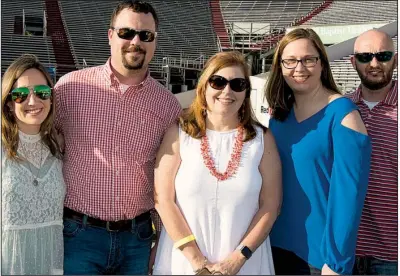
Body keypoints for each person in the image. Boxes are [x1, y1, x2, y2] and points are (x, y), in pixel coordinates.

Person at [53, 1, 181, 275]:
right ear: (110, 35)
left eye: (145, 35)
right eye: (126, 33)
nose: (136, 41)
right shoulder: (70, 88)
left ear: (154, 42)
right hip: (79, 235)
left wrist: (163, 241)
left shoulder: (167, 105)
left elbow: (167, 179)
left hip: (138, 238)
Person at [153, 51, 282, 275]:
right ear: (204, 87)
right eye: (218, 82)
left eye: (237, 84)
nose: (227, 91)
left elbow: (271, 206)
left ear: (246, 93)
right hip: (184, 261)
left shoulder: (262, 139)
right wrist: (197, 261)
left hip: (245, 264)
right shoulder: (179, 133)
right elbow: (163, 199)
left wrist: (236, 260)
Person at [264, 28, 372, 275]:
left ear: (322, 63)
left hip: (319, 259)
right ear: (280, 67)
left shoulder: (344, 116)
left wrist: (336, 264)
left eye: (308, 59)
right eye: (290, 61)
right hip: (274, 246)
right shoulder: (279, 117)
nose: (299, 68)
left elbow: (348, 199)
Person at [1, 54, 65, 275]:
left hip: (51, 263)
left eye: (42, 93)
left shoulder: (58, 148)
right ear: (9, 103)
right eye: (20, 95)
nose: (33, 102)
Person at [347, 29, 398, 275]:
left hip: (392, 256)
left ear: (395, 59)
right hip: (344, 251)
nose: (374, 63)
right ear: (353, 62)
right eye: (366, 57)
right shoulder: (341, 108)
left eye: (383, 55)